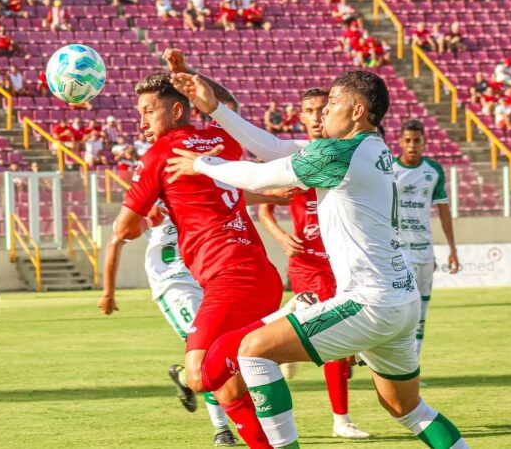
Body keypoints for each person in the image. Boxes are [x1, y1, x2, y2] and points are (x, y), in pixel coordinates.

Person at [166, 69, 469, 449]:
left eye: (334, 102)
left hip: (370, 301)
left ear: (358, 111)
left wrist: (202, 165)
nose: (325, 110)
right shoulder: (370, 148)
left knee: (253, 352)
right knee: (407, 408)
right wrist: (216, 110)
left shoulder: (341, 152)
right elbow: (274, 146)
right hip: (400, 300)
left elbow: (262, 177)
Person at [100, 54, 281, 448]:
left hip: (229, 281)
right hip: (261, 276)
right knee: (230, 383)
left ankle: (287, 330)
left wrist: (153, 204)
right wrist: (189, 76)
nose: (141, 122)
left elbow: (124, 229)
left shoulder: (158, 156)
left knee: (199, 374)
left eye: (149, 111)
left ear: (177, 109)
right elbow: (227, 106)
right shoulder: (223, 140)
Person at [257, 87, 371, 440]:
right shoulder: (295, 159)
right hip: (308, 265)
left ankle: (288, 345)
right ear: (302, 116)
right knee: (336, 336)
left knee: (345, 337)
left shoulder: (348, 155)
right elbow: (265, 207)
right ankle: (341, 420)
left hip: (345, 263)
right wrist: (279, 235)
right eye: (310, 110)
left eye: (324, 108)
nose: (317, 116)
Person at [142, 206, 238, 447]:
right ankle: (221, 429)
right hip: (175, 287)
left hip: (208, 280)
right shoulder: (153, 201)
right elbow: (127, 228)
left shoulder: (196, 200)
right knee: (208, 355)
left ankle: (185, 377)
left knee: (227, 349)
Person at [393, 119, 459, 359]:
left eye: (417, 141)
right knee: (404, 307)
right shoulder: (389, 169)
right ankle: (391, 358)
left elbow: (443, 210)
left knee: (421, 312)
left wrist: (452, 249)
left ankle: (413, 363)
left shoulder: (433, 171)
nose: (412, 145)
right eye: (408, 140)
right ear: (400, 142)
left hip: (424, 251)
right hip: (398, 250)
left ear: (424, 142)